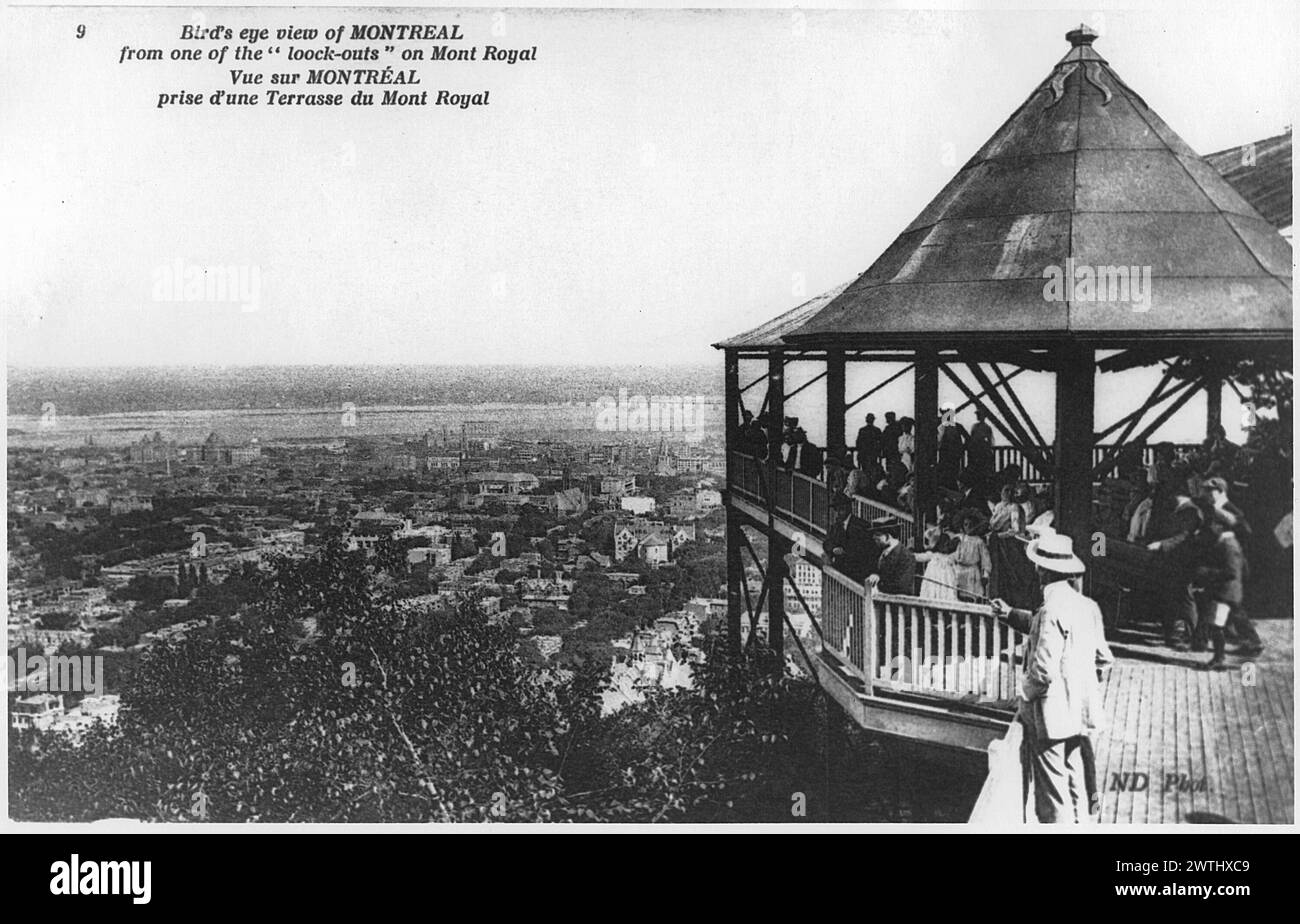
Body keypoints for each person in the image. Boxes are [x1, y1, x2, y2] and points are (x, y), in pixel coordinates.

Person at [990, 533, 1114, 824]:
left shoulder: (1050, 610)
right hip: (1079, 714)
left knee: (1051, 799)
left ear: (1041, 570)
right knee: (1074, 784)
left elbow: (1042, 671)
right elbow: (1105, 659)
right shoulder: (1088, 606)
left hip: (1052, 719)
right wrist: (1009, 613)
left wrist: (1023, 692)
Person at [1194, 503, 1263, 668]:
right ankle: (1222, 656)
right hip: (1228, 592)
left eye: (1214, 524)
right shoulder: (1227, 542)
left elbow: (1231, 571)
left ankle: (1219, 659)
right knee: (1222, 623)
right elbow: (1243, 569)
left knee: (1216, 625)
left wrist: (1206, 573)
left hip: (1225, 593)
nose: (1211, 527)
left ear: (1220, 526)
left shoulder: (1228, 545)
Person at [1147, 497, 1205, 650]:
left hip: (1185, 565)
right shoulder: (1181, 509)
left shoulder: (1191, 511)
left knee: (1186, 600)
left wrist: (1161, 544)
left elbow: (1184, 536)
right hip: (1175, 563)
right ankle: (1171, 635)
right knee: (1171, 599)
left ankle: (1195, 639)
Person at [824, 495, 875, 582]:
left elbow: (867, 551)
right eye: (836, 510)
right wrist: (833, 549)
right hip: (840, 571)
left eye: (840, 510)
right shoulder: (836, 526)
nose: (837, 513)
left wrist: (845, 552)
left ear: (848, 509)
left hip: (857, 573)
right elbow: (826, 543)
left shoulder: (862, 526)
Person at [952, 513, 991, 602]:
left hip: (972, 572)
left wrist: (986, 575)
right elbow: (953, 554)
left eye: (971, 524)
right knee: (957, 595)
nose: (968, 527)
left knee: (971, 596)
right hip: (959, 570)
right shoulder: (960, 538)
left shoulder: (978, 541)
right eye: (966, 524)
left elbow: (986, 559)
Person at [916, 526, 960, 601]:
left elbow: (956, 567)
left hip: (945, 581)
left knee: (946, 592)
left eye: (947, 544)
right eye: (943, 544)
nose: (944, 547)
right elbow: (921, 557)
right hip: (933, 579)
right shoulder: (933, 555)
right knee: (932, 591)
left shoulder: (949, 558)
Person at [867, 529, 916, 596]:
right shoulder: (880, 550)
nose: (876, 542)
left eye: (878, 539)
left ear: (887, 537)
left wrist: (879, 580)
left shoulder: (906, 556)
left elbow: (902, 586)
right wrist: (876, 575)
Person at [937, 402, 968, 489]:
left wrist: (962, 447)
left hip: (954, 456)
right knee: (944, 475)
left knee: (953, 475)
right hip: (945, 456)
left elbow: (968, 438)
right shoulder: (941, 427)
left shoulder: (957, 426)